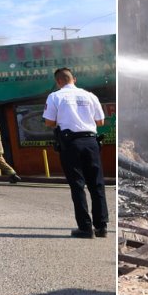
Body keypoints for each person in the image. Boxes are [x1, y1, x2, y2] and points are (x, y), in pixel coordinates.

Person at [43, 67, 108, 239]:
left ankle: (86, 229)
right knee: (97, 185)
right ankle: (102, 227)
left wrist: (65, 117)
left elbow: (49, 122)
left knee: (78, 186)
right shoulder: (90, 95)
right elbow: (100, 121)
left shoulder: (55, 96)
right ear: (74, 79)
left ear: (58, 82)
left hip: (71, 144)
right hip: (91, 142)